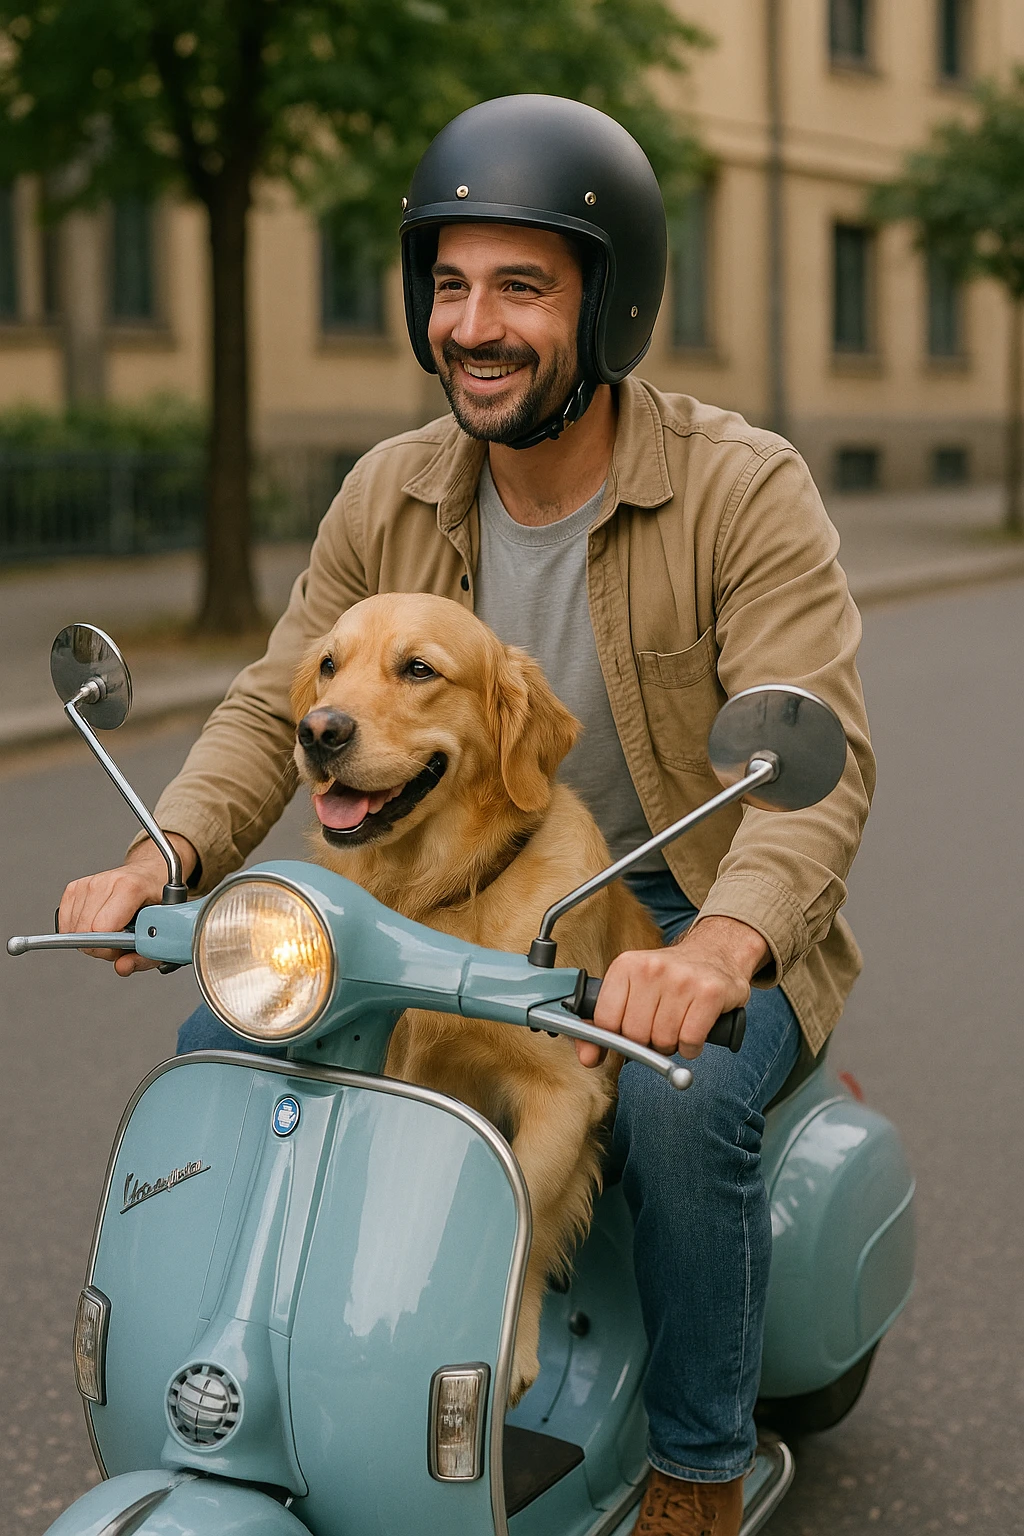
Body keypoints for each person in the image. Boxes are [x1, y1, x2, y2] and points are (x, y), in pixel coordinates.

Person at [59, 95, 873, 1536]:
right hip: (434, 893)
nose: (473, 324)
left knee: (684, 1121)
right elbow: (273, 702)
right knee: (227, 1050)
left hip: (683, 901)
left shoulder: (743, 490)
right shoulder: (392, 490)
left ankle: (697, 1467)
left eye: (520, 286)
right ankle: (265, 1391)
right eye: (448, 284)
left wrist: (724, 948)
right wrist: (162, 853)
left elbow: (823, 758)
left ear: (605, 305)